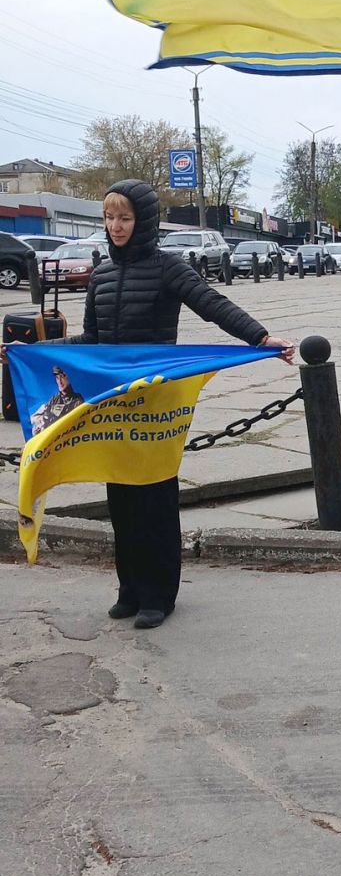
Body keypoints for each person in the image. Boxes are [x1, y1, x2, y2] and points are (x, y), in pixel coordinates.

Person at [53, 181, 292, 629]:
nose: (116, 226)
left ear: (141, 220)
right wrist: (37, 350)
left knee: (155, 496)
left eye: (125, 218)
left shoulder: (168, 267)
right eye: (110, 217)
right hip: (113, 403)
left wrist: (260, 337)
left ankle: (159, 595)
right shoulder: (101, 274)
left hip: (156, 403)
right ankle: (130, 589)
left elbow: (212, 304)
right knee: (120, 496)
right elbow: (92, 340)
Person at [29, 366, 84, 436]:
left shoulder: (77, 400)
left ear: (68, 378)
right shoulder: (54, 399)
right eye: (57, 378)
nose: (60, 381)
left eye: (62, 377)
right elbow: (37, 417)